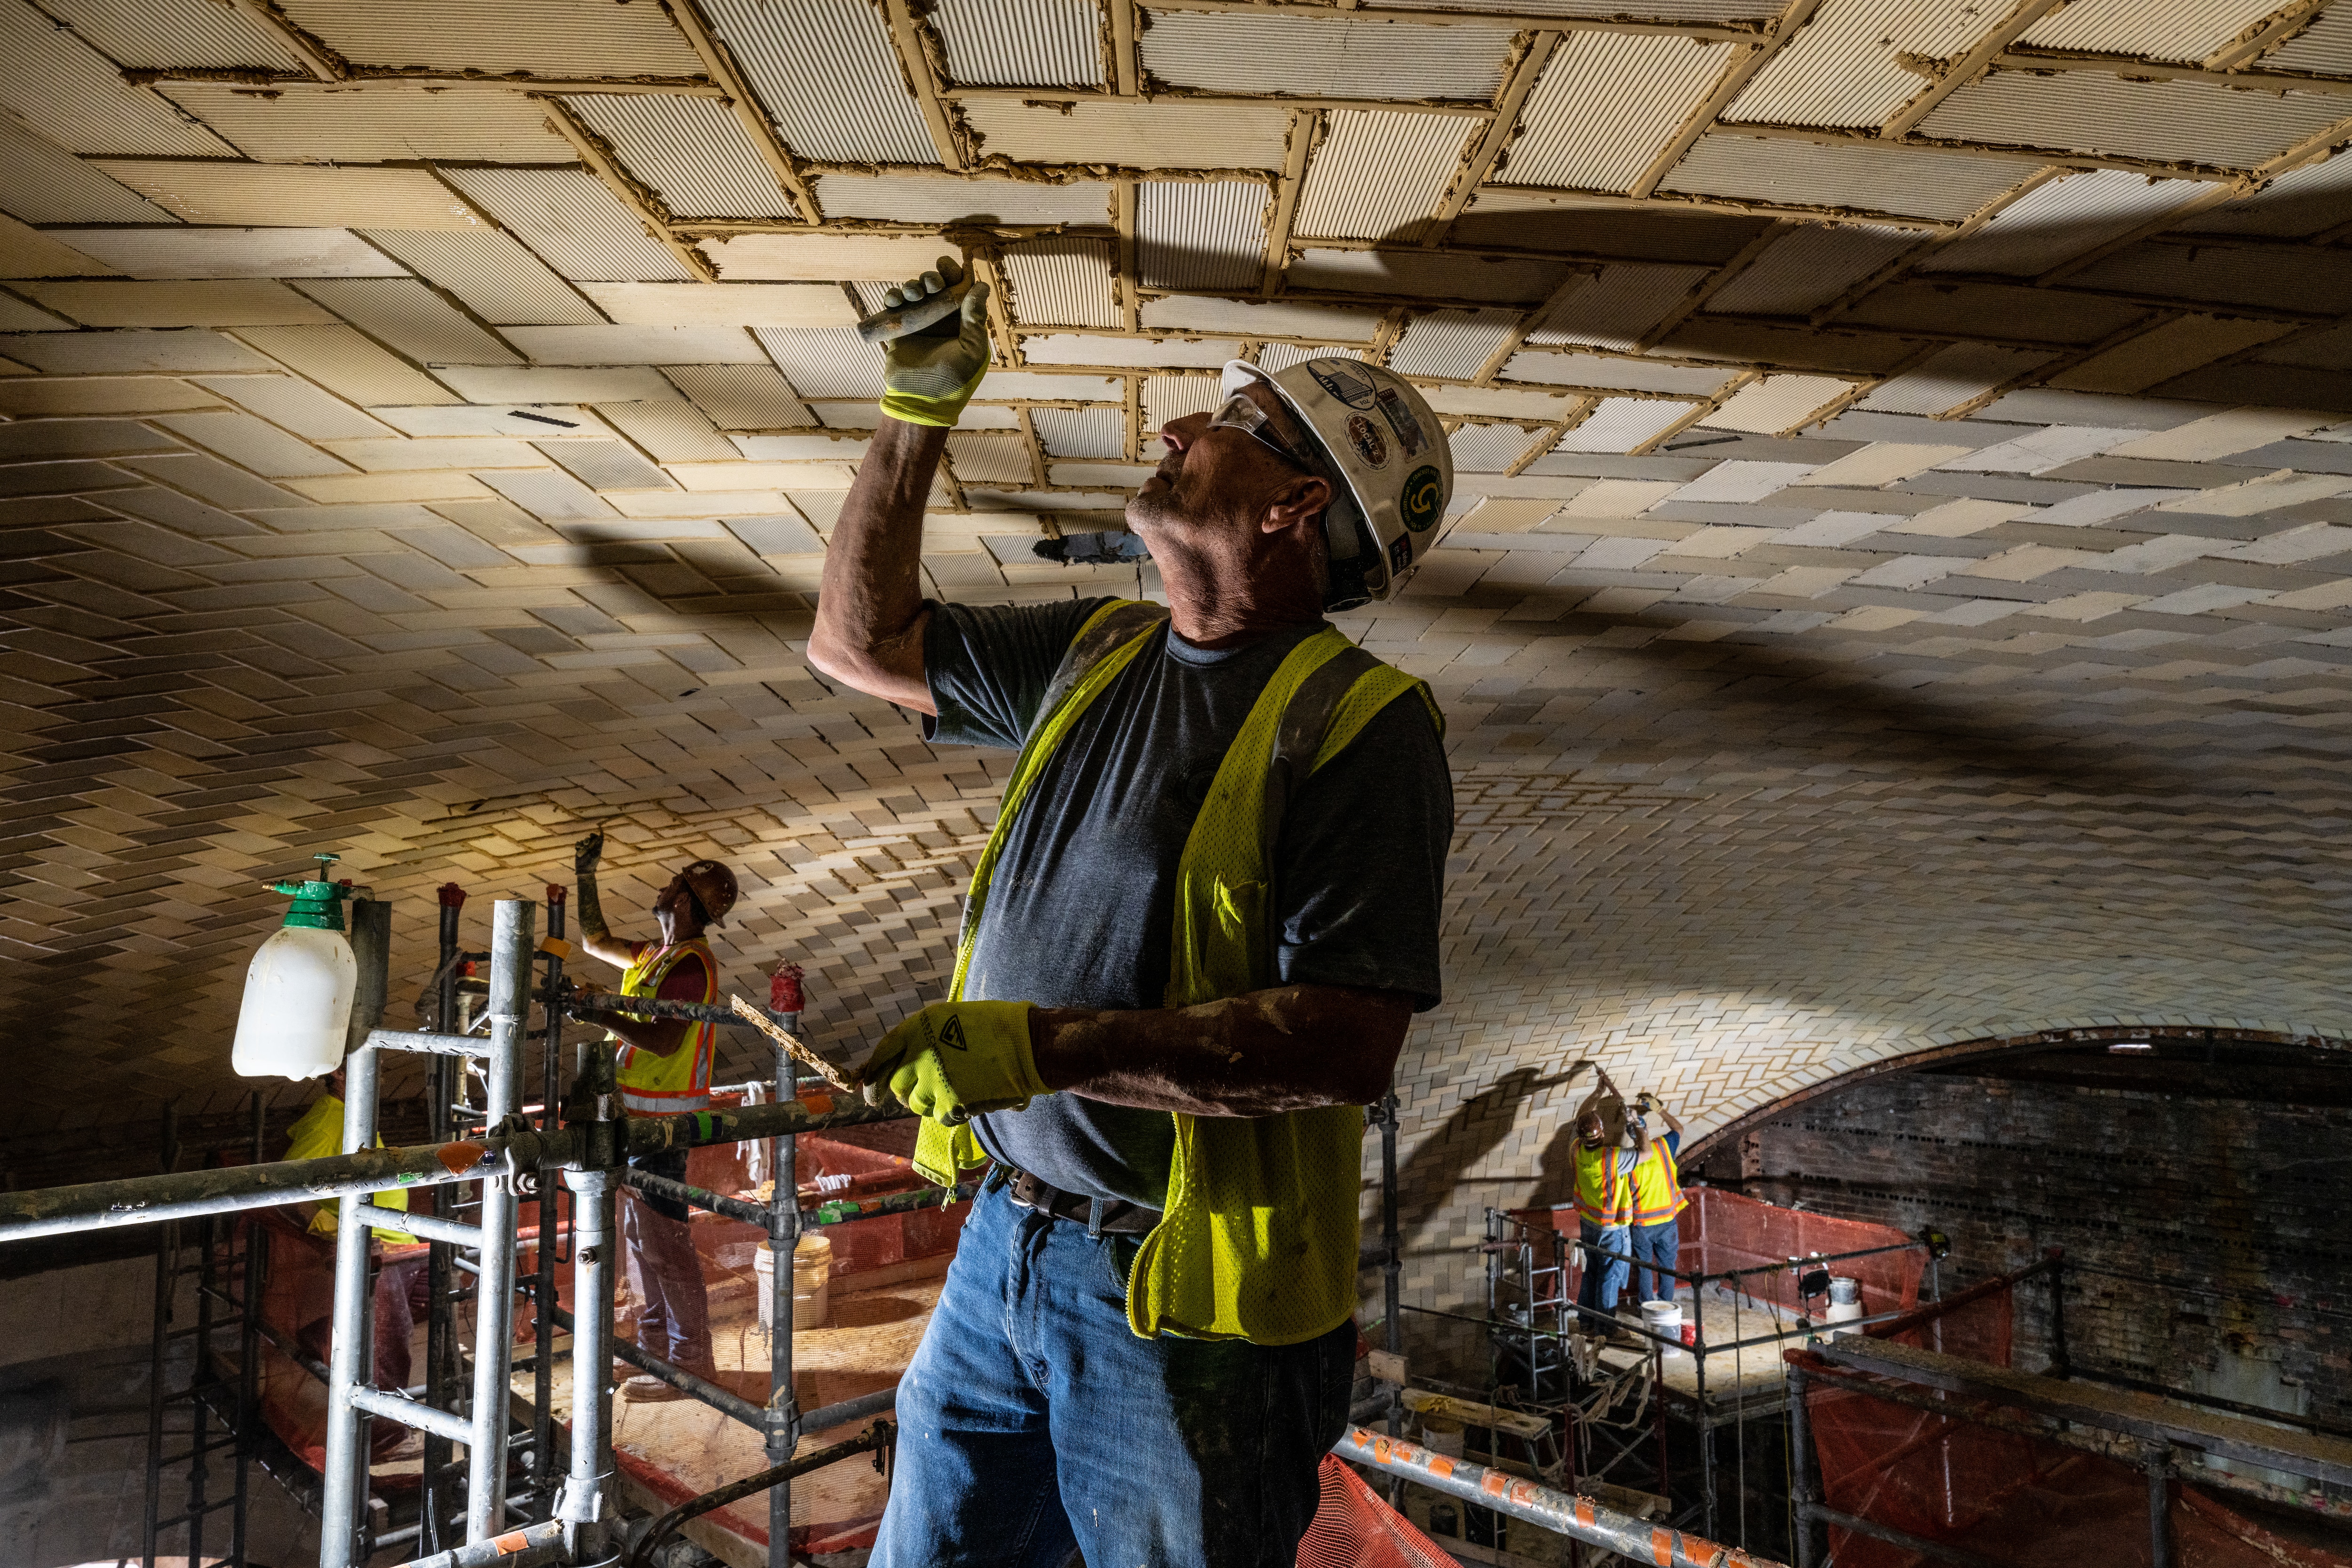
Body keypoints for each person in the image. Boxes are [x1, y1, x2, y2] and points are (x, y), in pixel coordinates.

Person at [808, 258, 1454, 1567]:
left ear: (1296, 503)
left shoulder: (1363, 727)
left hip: (1189, 1307)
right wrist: (915, 413)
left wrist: (1049, 1050)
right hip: (1012, 1234)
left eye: (1225, 423)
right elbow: (858, 644)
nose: (1175, 431)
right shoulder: (1097, 654)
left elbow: (1342, 1042)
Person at [572, 832, 739, 1401]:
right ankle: (655, 1352)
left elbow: (666, 1042)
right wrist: (585, 875)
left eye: (675, 884)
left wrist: (602, 1012)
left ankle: (691, 1365)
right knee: (642, 1240)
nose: (664, 888)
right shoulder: (652, 956)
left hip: (666, 1126)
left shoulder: (691, 967)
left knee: (665, 1243)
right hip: (636, 1119)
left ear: (687, 902)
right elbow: (594, 941)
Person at [285, 1065, 431, 1459]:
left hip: (399, 1248)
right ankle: (383, 1442)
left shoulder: (353, 1115)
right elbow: (288, 1190)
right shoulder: (329, 1118)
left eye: (382, 1065)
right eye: (368, 1065)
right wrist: (338, 1231)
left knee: (438, 1296)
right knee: (388, 1344)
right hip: (374, 1256)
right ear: (337, 1072)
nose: (380, 1073)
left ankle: (329, 1338)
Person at [1570, 1067, 1639, 1339]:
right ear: (1601, 1134)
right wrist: (1636, 1125)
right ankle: (1606, 1330)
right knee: (1609, 1276)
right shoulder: (1613, 1158)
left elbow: (1580, 1118)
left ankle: (1586, 1323)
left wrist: (1598, 1092)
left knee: (1593, 1272)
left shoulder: (1576, 1150)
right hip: (1612, 1228)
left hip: (1589, 1224)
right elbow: (1645, 1151)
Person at [1627, 1091, 1688, 1307]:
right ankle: (1664, 1309)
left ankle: (1647, 1309)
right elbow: (1679, 1129)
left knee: (1645, 1268)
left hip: (1642, 1225)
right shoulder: (1663, 1147)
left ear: (1631, 1135)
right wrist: (1659, 1109)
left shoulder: (1626, 1160)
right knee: (1667, 1267)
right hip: (1667, 1221)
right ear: (1647, 1131)